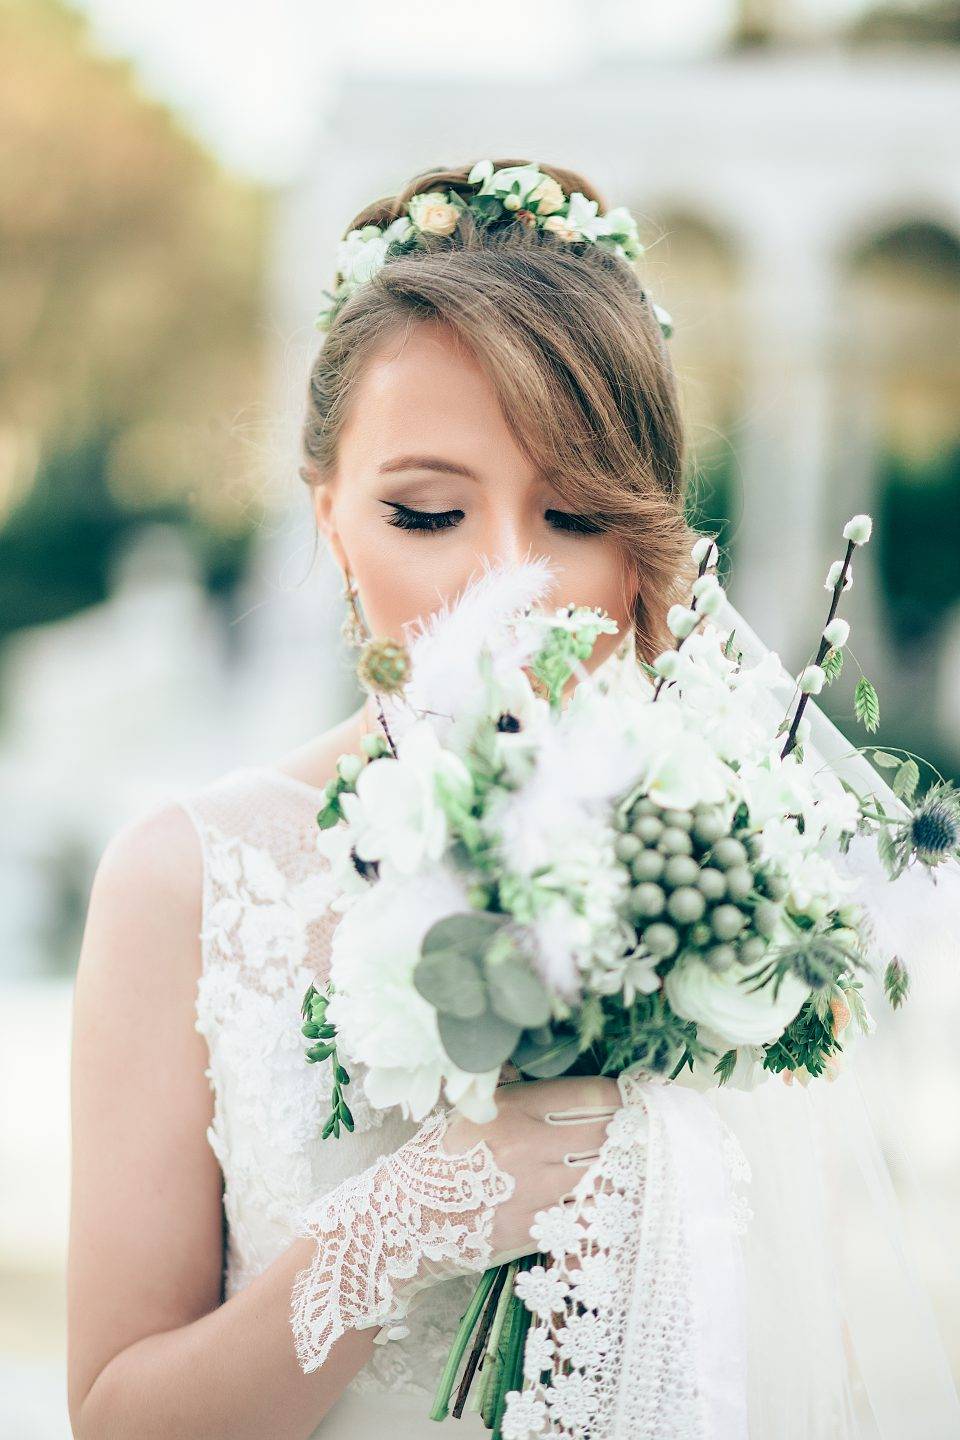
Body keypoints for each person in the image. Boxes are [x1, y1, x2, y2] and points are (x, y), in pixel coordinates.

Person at [66, 157, 960, 1440]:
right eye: (426, 511)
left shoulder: (729, 860)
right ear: (329, 516)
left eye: (576, 514)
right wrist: (405, 1224)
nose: (507, 581)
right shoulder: (186, 881)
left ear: (647, 544)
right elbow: (111, 1416)